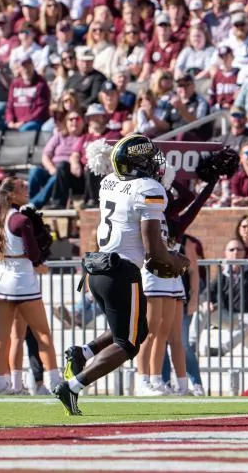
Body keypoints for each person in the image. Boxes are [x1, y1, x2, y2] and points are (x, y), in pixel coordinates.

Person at [55, 135, 189, 415]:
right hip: (121, 271)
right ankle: (73, 386)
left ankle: (83, 352)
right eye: (148, 159)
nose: (154, 164)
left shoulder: (109, 182)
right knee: (127, 344)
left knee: (138, 329)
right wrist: (175, 259)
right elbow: (153, 249)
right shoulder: (148, 188)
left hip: (99, 267)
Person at [0, 177, 62, 395]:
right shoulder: (21, 220)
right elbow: (34, 253)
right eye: (21, 187)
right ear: (10, 194)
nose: (26, 189)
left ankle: (2, 385)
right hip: (22, 280)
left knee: (2, 336)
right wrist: (40, 263)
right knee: (43, 334)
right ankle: (55, 381)